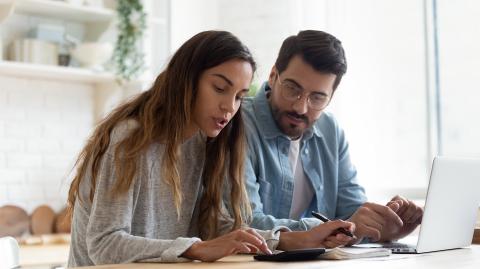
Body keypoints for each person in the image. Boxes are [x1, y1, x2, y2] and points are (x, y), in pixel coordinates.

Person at [66, 30, 355, 267]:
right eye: (219, 88)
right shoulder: (130, 139)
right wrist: (195, 249)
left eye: (240, 96)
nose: (229, 107)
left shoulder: (204, 144)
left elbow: (219, 227)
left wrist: (295, 239)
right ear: (187, 79)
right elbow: (104, 244)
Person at [243, 30, 423, 244]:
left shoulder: (330, 130)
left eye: (317, 98)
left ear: (331, 97)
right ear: (273, 76)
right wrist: (334, 228)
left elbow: (352, 211)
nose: (300, 107)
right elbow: (246, 223)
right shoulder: (239, 124)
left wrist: (384, 225)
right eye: (292, 89)